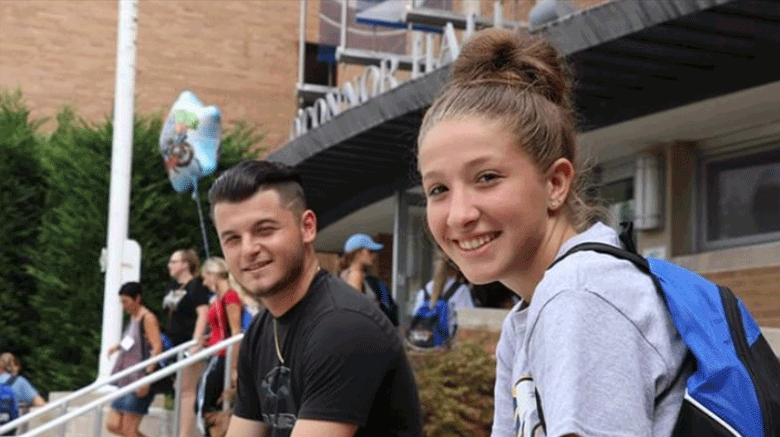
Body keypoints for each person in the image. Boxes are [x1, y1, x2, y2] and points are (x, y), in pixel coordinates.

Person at [416, 28, 689, 437]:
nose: (459, 215)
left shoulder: (580, 295)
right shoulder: (531, 311)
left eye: (487, 177)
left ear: (556, 183)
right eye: (438, 189)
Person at [208, 160, 423, 437]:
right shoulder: (260, 332)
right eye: (232, 239)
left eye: (265, 230)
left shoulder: (343, 327)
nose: (248, 249)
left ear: (307, 227)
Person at [161, 248, 210, 437]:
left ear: (185, 264)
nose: (170, 265)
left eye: (174, 261)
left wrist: (195, 342)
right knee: (179, 390)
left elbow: (203, 313)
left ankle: (184, 434)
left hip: (188, 344)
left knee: (187, 391)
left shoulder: (195, 287)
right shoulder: (172, 286)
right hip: (173, 344)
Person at [106, 282, 163, 437]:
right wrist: (118, 346)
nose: (124, 306)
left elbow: (157, 347)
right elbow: (132, 339)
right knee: (112, 424)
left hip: (139, 377)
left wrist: (147, 377)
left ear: (137, 299)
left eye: (126, 302)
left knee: (128, 430)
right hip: (127, 377)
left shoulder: (148, 318)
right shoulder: (133, 318)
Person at [196, 257, 243, 436]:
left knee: (204, 405)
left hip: (223, 356)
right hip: (216, 353)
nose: (204, 283)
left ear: (213, 275)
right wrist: (207, 340)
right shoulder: (218, 298)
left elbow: (235, 331)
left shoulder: (230, 297)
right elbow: (219, 330)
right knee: (209, 405)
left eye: (205, 278)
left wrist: (233, 368)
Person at [339, 234, 399, 326]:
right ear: (358, 253)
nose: (374, 255)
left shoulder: (345, 274)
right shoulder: (356, 275)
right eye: (370, 251)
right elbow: (355, 310)